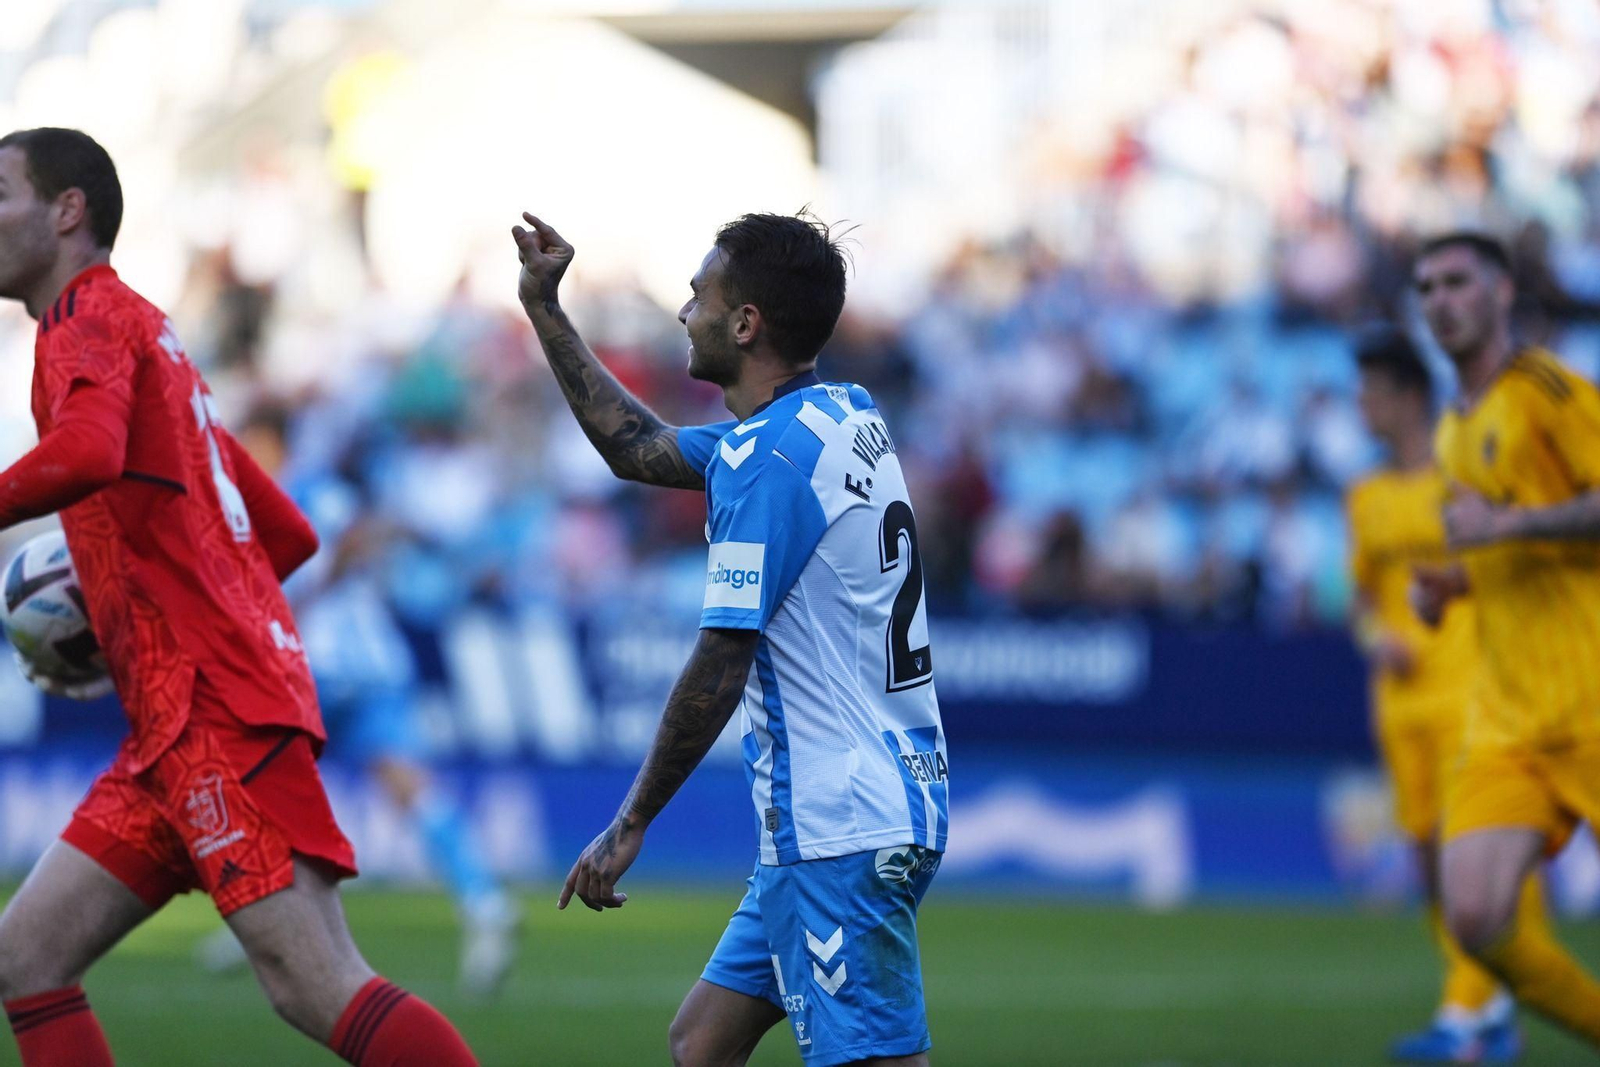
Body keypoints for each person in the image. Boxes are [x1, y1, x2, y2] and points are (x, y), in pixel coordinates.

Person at [0, 127, 476, 1066]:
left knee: (316, 985)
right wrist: (139, 610)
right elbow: (288, 534)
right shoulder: (154, 337)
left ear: (67, 211)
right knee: (26, 956)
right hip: (176, 720)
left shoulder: (82, 320)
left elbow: (91, 451)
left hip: (211, 714)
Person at [514, 210, 947, 1066]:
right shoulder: (841, 415)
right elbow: (636, 447)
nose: (684, 312)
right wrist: (545, 309)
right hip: (864, 805)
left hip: (840, 821)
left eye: (697, 296)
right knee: (700, 1043)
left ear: (745, 323)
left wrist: (630, 820)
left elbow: (722, 655)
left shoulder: (769, 465)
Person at [1411, 231, 1600, 1051]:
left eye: (1457, 282)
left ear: (1501, 293)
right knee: (1478, 915)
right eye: (1425, 288)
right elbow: (1502, 550)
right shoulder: (1454, 429)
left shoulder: (1548, 391)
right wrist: (1455, 579)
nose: (1439, 300)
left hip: (1591, 697)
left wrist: (1507, 524)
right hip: (1510, 718)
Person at [1347, 327, 1534, 1062]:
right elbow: (1360, 599)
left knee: (1470, 861)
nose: (1362, 405)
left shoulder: (1461, 475)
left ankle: (1466, 1014)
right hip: (1400, 704)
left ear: (1411, 397)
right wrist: (1376, 639)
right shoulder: (1363, 496)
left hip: (1471, 690)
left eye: (1374, 392)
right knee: (1428, 864)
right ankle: (1490, 1010)